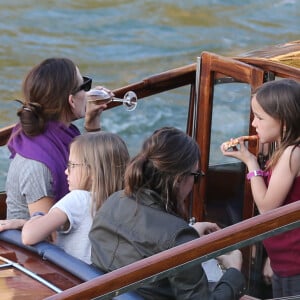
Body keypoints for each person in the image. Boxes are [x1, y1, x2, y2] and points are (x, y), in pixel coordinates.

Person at [89, 126, 246, 299]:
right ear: (179, 179)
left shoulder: (113, 202)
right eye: (196, 175)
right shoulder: (177, 237)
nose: (195, 182)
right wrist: (233, 271)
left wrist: (189, 235)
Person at [1, 57, 110, 231]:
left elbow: (94, 172)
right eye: (85, 86)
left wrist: (92, 124)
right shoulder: (38, 165)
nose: (89, 94)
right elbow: (49, 234)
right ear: (71, 100)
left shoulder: (56, 136)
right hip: (34, 252)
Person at [220, 78, 300, 297]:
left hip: (294, 261)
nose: (254, 123)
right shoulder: (287, 149)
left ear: (283, 122)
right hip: (285, 258)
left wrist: (251, 163)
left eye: (260, 117)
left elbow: (267, 208)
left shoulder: (292, 154)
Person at [21, 131, 129, 264]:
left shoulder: (78, 199)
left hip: (70, 279)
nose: (66, 171)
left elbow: (29, 236)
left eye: (72, 165)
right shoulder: (124, 202)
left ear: (93, 172)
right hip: (96, 278)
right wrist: (21, 223)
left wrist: (37, 216)